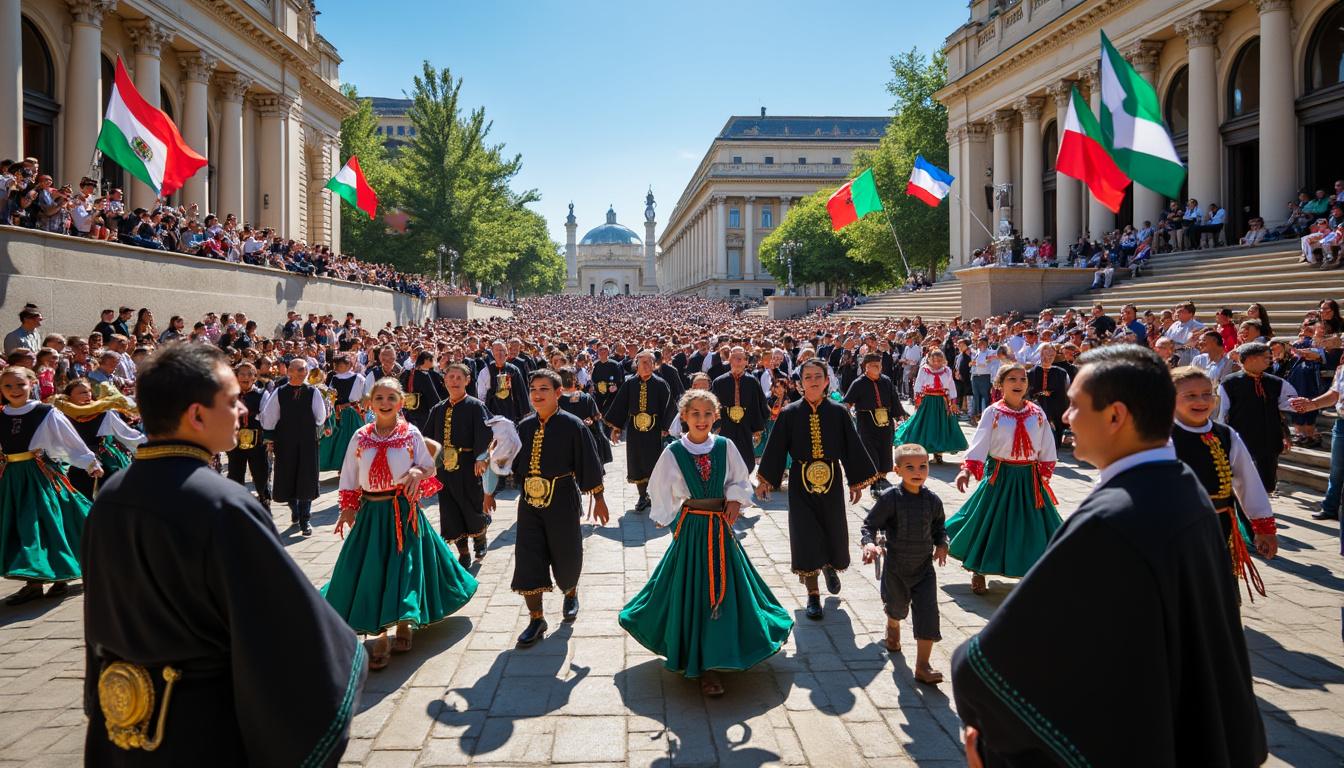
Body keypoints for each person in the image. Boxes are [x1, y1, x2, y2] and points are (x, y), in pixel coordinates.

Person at [951, 344, 1267, 767]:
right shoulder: (1184, 487)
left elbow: (988, 667)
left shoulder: (1112, 520)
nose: (1065, 418)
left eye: (1076, 407)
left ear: (1115, 416)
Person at [82, 344, 366, 765]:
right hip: (200, 729)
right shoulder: (222, 504)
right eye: (232, 403)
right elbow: (288, 629)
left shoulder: (111, 496)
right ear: (197, 415)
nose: (243, 413)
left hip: (120, 724)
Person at [619, 389, 793, 697]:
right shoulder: (673, 452)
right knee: (694, 588)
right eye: (694, 414)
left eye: (707, 414)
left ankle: (722, 654)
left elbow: (740, 479)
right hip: (692, 529)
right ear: (683, 417)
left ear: (716, 416)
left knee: (727, 587)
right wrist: (668, 515)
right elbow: (660, 489)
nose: (701, 419)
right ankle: (700, 663)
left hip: (722, 528)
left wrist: (737, 500)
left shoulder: (725, 446)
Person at [323, 377, 478, 671]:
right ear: (369, 402)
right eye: (379, 398)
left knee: (405, 567)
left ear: (401, 402)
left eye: (391, 398)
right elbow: (349, 473)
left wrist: (418, 472)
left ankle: (406, 623)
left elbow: (429, 463)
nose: (385, 403)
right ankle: (379, 635)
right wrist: (347, 509)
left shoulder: (411, 434)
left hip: (402, 512)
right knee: (372, 570)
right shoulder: (360, 436)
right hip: (371, 512)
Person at [757, 359, 878, 620]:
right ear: (800, 383)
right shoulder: (789, 413)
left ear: (826, 381)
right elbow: (776, 448)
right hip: (801, 481)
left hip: (832, 479)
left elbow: (851, 446)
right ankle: (813, 595)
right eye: (807, 376)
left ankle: (830, 566)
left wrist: (856, 481)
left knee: (832, 527)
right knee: (805, 534)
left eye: (817, 376)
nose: (812, 380)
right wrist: (766, 479)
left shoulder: (838, 412)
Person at [513, 369, 609, 647]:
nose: (537, 394)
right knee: (528, 556)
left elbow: (589, 461)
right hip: (529, 502)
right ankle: (536, 618)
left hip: (562, 498)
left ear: (558, 393)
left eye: (544, 389)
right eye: (533, 389)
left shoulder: (573, 425)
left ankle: (570, 592)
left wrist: (599, 497)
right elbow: (515, 463)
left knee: (566, 552)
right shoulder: (525, 426)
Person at [947, 364, 1061, 596]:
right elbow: (980, 443)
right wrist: (966, 471)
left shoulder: (1037, 413)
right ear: (1000, 385)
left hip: (1029, 477)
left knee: (1032, 526)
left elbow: (1047, 444)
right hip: (1000, 475)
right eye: (1012, 379)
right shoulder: (993, 412)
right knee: (988, 522)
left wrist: (1045, 472)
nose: (1019, 383)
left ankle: (1033, 570)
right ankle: (978, 570)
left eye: (1023, 379)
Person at [1170, 367, 1278, 601]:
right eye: (1191, 395)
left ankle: (1220, 628)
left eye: (1207, 394)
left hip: (1220, 525)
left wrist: (1263, 527)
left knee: (1219, 586)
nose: (1202, 401)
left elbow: (1248, 482)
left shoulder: (1226, 435)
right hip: (1174, 528)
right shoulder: (1158, 436)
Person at [0, 367, 101, 604]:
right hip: (12, 477)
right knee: (21, 525)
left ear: (32, 383)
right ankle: (34, 582)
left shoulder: (45, 412)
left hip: (41, 474)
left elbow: (68, 440)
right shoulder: (1, 414)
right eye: (8, 386)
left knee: (47, 523)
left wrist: (89, 462)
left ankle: (59, 578)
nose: (14, 390)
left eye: (20, 385)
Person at [860, 443, 947, 685]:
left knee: (928, 614)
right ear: (897, 471)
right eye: (910, 467)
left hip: (924, 569)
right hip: (896, 567)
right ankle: (893, 626)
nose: (917, 471)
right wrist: (869, 544)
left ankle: (922, 666)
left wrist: (942, 545)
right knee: (896, 606)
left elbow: (940, 527)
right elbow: (869, 525)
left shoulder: (933, 500)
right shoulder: (890, 499)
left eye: (923, 466)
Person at [424, 363, 493, 568]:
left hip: (468, 465)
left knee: (472, 506)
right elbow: (427, 438)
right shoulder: (437, 409)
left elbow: (485, 433)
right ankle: (463, 552)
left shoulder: (475, 406)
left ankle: (480, 539)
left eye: (458, 377)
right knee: (449, 511)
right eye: (450, 377)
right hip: (444, 468)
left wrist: (481, 458)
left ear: (467, 380)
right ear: (444, 380)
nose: (454, 381)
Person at [260, 358, 329, 535]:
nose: (302, 372)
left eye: (304, 369)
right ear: (289, 371)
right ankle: (295, 511)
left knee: (306, 477)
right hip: (286, 441)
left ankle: (305, 518)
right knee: (287, 475)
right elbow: (270, 416)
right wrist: (270, 438)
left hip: (306, 440)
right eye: (298, 369)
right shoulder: (280, 392)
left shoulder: (313, 392)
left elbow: (320, 416)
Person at [1217, 342, 1295, 494]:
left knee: (1266, 480)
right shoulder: (1229, 383)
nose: (1269, 360)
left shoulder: (1276, 382)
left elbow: (1289, 403)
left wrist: (1300, 405)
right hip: (1241, 438)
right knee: (1240, 480)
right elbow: (1222, 413)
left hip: (1269, 438)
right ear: (1251, 358)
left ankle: (1263, 512)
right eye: (1266, 357)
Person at [605, 350, 675, 512]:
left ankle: (654, 495)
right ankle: (642, 496)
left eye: (650, 362)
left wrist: (665, 427)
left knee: (654, 461)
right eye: (643, 362)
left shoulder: (660, 383)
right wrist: (616, 428)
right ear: (636, 364)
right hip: (634, 430)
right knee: (636, 461)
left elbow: (669, 406)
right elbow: (620, 405)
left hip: (654, 430)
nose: (646, 366)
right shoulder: (630, 384)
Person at [53, 378, 144, 501]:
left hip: (103, 462)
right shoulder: (59, 416)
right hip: (72, 462)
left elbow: (127, 435)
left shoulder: (104, 414)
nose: (88, 395)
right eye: (82, 392)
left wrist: (149, 446)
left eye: (89, 391)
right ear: (70, 396)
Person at [893, 347, 968, 463]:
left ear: (943, 360)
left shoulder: (947, 370)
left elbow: (951, 386)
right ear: (930, 360)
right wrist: (917, 399)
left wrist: (953, 402)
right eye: (934, 361)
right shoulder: (924, 370)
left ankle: (938, 455)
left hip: (942, 402)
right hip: (927, 401)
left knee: (941, 427)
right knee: (926, 426)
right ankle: (925, 453)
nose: (936, 363)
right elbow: (918, 385)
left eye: (939, 360)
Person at [843, 352, 904, 495]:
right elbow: (848, 402)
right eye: (874, 366)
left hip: (885, 421)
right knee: (870, 450)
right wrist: (844, 415)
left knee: (885, 449)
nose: (878, 368)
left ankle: (882, 477)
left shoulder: (886, 381)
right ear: (866, 366)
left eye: (879, 365)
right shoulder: (858, 383)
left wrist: (900, 415)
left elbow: (894, 399)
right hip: (866, 422)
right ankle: (874, 480)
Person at [710, 346, 768, 472]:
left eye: (741, 359)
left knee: (745, 452)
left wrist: (757, 428)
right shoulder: (719, 382)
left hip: (745, 423)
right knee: (725, 450)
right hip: (725, 423)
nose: (738, 361)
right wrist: (717, 424)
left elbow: (758, 404)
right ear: (730, 360)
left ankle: (744, 475)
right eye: (735, 358)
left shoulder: (752, 381)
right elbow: (714, 404)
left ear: (746, 362)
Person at [225, 362, 270, 508]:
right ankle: (236, 506)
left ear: (254, 377)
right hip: (235, 442)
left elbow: (266, 416)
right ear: (236, 377)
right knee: (234, 475)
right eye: (242, 374)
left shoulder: (262, 394)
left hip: (256, 441)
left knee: (261, 474)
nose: (246, 377)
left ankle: (264, 502)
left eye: (249, 374)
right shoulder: (229, 394)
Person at [318, 353, 368, 472]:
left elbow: (364, 396)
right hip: (337, 412)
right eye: (335, 365)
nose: (336, 367)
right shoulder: (334, 378)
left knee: (353, 438)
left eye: (339, 365)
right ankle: (341, 466)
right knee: (337, 439)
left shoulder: (359, 378)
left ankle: (354, 466)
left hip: (353, 413)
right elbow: (330, 396)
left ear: (348, 365)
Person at [557, 365, 611, 465]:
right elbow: (597, 420)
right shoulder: (585, 398)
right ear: (574, 380)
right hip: (586, 443)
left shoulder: (554, 401)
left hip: (564, 445)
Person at [1026, 345, 1070, 448]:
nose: (1049, 357)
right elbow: (1029, 391)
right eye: (1047, 354)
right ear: (1041, 354)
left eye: (1052, 354)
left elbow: (1064, 392)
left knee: (1056, 431)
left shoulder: (1061, 373)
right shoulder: (1032, 372)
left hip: (1056, 405)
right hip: (1038, 405)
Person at [399, 350, 447, 433]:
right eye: (432, 360)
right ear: (426, 360)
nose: (434, 362)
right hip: (422, 414)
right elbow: (432, 396)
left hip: (407, 411)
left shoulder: (407, 373)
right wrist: (440, 410)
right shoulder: (424, 376)